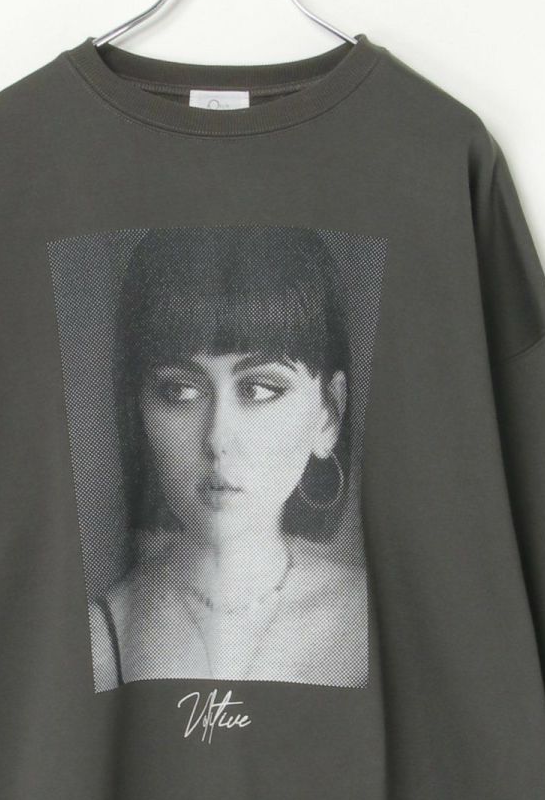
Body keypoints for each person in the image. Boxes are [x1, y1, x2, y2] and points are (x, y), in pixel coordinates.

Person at [86, 225, 368, 691]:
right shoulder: (99, 641)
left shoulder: (375, 622)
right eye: (180, 391)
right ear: (139, 412)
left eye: (259, 389)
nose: (217, 437)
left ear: (328, 416)